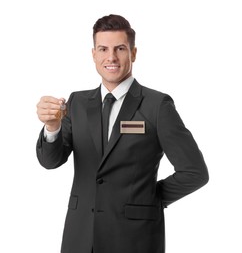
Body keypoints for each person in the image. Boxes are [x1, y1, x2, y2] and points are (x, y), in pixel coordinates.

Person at [36, 14, 209, 253]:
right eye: (103, 49)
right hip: (80, 237)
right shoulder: (76, 102)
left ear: (134, 53)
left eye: (120, 48)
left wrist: (150, 198)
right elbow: (50, 161)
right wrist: (52, 128)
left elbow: (195, 172)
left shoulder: (157, 105)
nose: (111, 57)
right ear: (93, 54)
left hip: (135, 238)